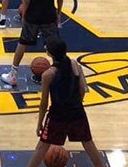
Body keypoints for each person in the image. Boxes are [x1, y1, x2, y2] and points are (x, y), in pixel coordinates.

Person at [26, 37, 104, 167]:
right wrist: (75, 104)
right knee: (88, 143)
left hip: (57, 115)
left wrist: (39, 123)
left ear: (49, 53)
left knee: (41, 148)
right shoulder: (75, 65)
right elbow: (83, 89)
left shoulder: (47, 74)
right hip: (77, 112)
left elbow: (44, 103)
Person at [1, 0, 63, 86]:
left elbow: (27, 0)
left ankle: (13, 74)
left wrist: (24, 14)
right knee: (53, 45)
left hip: (33, 16)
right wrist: (58, 13)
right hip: (49, 15)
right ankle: (60, 74)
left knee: (22, 43)